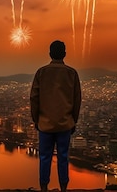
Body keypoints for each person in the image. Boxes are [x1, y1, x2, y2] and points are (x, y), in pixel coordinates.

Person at [30, 40, 82, 192]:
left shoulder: (41, 72)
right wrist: (74, 120)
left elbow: (34, 98)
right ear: (64, 54)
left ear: (50, 54)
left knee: (45, 157)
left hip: (45, 124)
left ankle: (44, 187)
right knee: (63, 157)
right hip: (65, 123)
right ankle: (64, 188)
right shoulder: (72, 73)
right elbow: (77, 99)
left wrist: (36, 120)